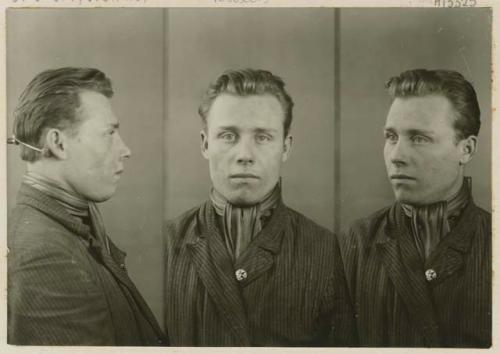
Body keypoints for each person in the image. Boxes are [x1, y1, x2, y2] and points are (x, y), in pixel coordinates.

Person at [163, 68, 356, 346]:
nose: (244, 155)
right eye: (228, 136)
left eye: (263, 137)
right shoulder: (167, 243)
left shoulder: (325, 250)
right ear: (205, 144)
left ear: (286, 147)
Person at [7, 67, 167, 345]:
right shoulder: (46, 256)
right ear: (58, 143)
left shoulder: (71, 217)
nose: (125, 149)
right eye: (109, 133)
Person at [339, 69, 491, 348]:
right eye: (391, 137)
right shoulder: (357, 242)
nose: (396, 156)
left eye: (419, 138)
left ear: (466, 149)